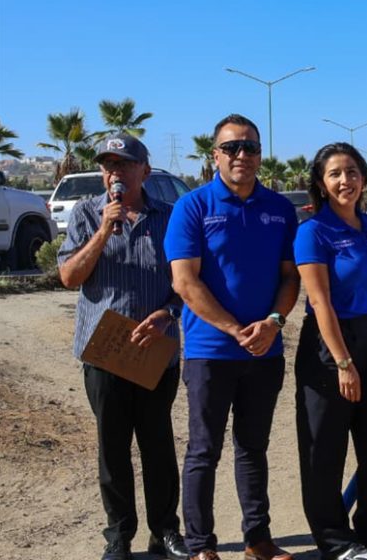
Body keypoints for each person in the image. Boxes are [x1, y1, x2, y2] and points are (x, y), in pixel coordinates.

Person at [165, 114, 301, 560]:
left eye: (250, 147)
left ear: (260, 155)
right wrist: (233, 329)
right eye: (232, 147)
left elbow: (290, 278)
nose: (242, 155)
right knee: (204, 449)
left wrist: (274, 322)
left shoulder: (280, 209)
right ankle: (201, 544)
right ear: (215, 155)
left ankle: (257, 539)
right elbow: (185, 282)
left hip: (266, 350)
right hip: (210, 352)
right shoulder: (193, 206)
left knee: (253, 447)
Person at [58, 133, 190, 560]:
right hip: (106, 351)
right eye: (108, 165)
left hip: (156, 350)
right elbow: (70, 277)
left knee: (157, 443)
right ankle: (118, 534)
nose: (115, 172)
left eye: (124, 164)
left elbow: (187, 282)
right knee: (112, 446)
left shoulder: (171, 217)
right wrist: (102, 231)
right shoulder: (85, 213)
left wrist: (169, 313)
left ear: (144, 172)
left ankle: (165, 531)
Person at [293, 143, 367, 560]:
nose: (346, 181)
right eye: (336, 174)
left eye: (353, 172)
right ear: (321, 183)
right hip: (330, 346)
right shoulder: (312, 231)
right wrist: (343, 362)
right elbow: (320, 301)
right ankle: (336, 541)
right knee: (324, 449)